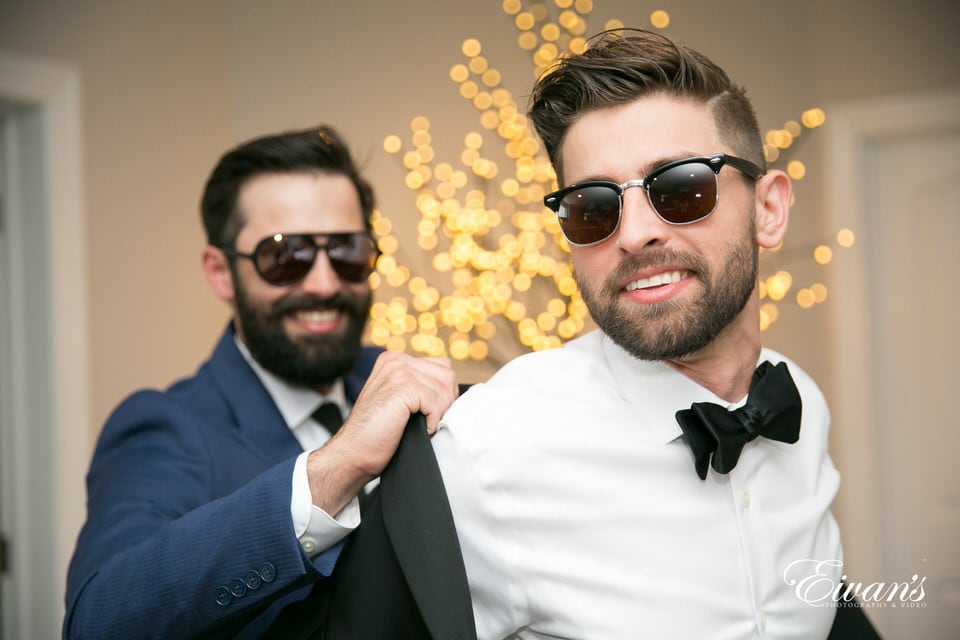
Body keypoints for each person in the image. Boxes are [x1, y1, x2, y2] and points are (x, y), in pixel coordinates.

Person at [431, 29, 875, 639]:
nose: (635, 233)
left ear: (768, 210)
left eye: (681, 187)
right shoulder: (487, 448)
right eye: (593, 206)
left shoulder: (802, 404)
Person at [63, 126, 458, 639]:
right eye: (285, 255)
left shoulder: (407, 380)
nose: (323, 283)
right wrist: (334, 469)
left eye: (347, 252)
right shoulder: (166, 427)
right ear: (222, 272)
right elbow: (97, 622)